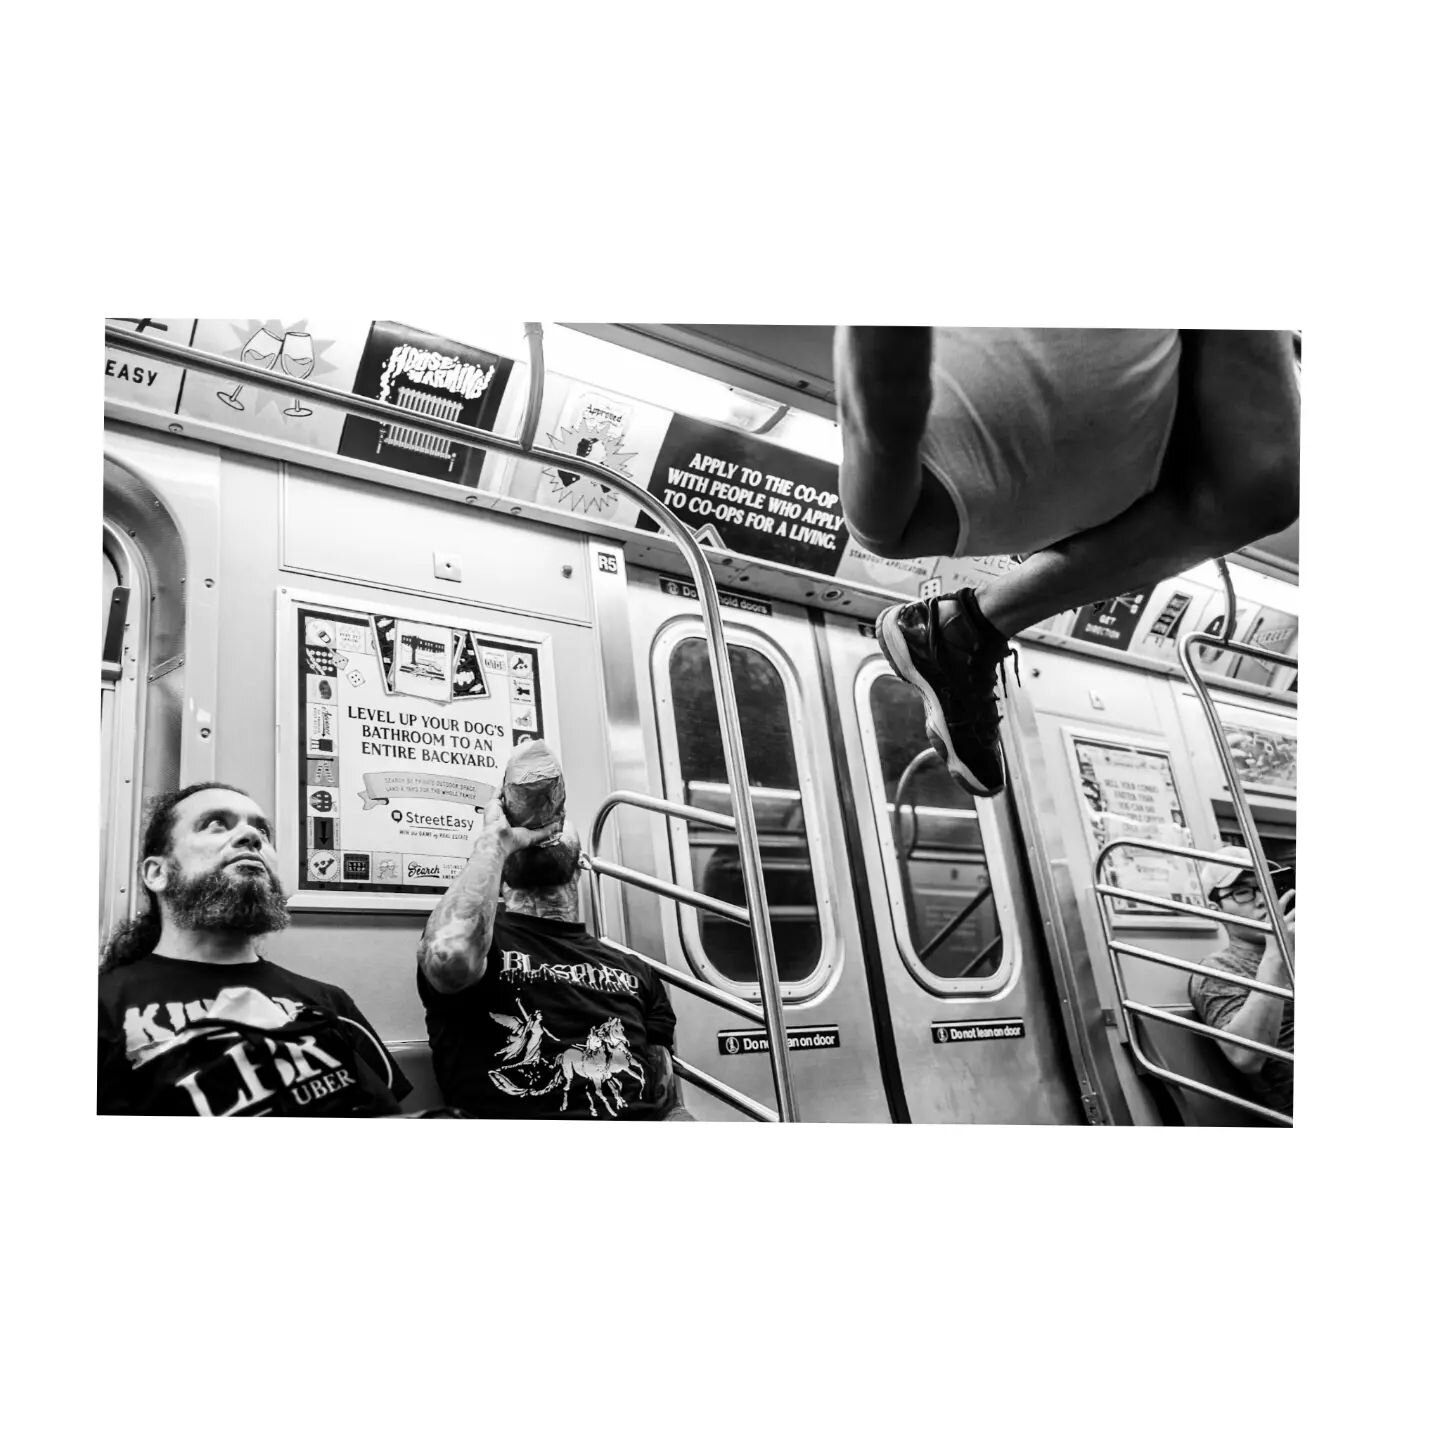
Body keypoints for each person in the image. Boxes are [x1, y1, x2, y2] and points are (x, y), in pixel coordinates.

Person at [836, 328, 1301, 796]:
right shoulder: (912, 522)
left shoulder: (907, 521)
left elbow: (883, 391)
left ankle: (966, 629)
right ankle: (966, 627)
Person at [98, 782, 413, 1117]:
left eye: (261, 829)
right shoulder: (103, 1006)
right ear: (157, 872)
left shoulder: (328, 1004)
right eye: (215, 824)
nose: (252, 836)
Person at [416, 741, 694, 1120]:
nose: (541, 832)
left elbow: (665, 1098)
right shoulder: (482, 947)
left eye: (557, 823)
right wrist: (496, 844)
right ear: (497, 878)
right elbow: (449, 955)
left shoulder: (636, 971)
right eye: (525, 832)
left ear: (580, 863)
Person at [1188, 845, 1295, 1118]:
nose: (1262, 900)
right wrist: (1275, 957)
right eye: (1244, 891)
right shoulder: (1218, 969)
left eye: (1266, 886)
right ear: (1216, 910)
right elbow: (1246, 1057)